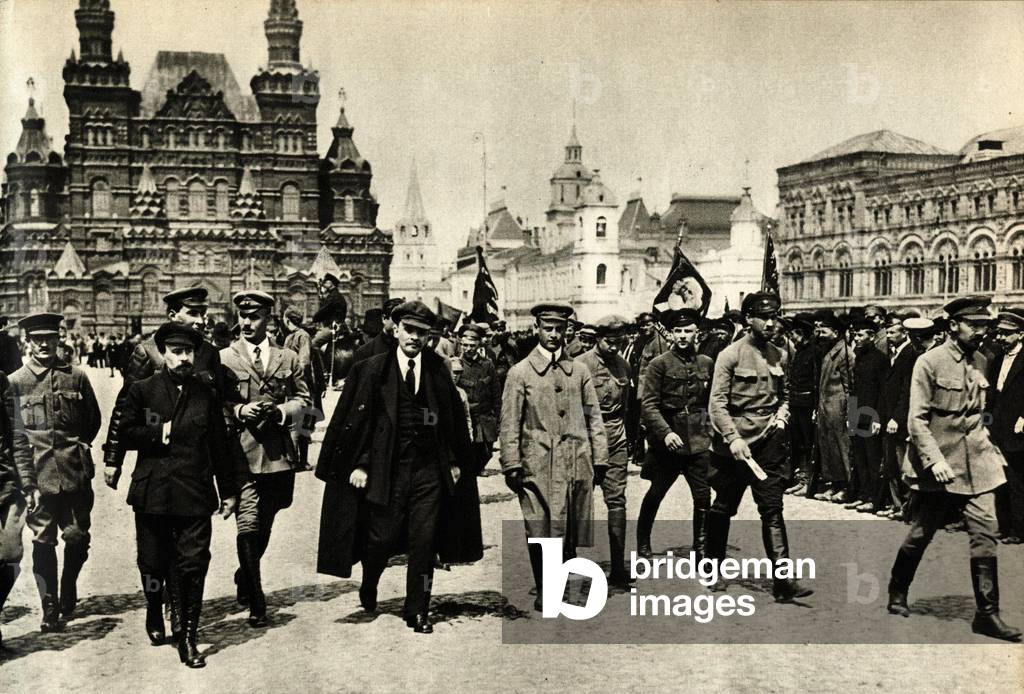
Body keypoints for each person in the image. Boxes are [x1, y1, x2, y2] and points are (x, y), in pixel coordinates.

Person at [315, 301, 482, 633]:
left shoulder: (437, 369)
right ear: (396, 329)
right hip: (384, 468)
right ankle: (370, 579)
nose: (414, 338)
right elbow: (359, 422)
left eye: (422, 333)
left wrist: (450, 459)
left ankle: (417, 608)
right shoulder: (372, 369)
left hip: (427, 470)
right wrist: (359, 465)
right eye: (409, 330)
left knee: (425, 541)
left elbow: (442, 418)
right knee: (381, 538)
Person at [887, 296, 1020, 641]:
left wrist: (988, 448)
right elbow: (916, 421)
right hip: (939, 463)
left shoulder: (982, 360)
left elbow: (978, 413)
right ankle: (897, 590)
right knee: (921, 533)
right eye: (974, 325)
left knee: (985, 531)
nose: (981, 332)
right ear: (952, 326)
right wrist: (934, 461)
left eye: (984, 326)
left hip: (977, 461)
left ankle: (987, 614)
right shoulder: (928, 362)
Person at [115, 323, 241, 667]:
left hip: (195, 493)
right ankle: (155, 609)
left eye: (188, 352)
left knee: (194, 564)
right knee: (153, 563)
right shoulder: (143, 390)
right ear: (164, 354)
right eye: (176, 351)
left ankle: (188, 636)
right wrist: (160, 432)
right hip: (153, 491)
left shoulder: (207, 394)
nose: (183, 358)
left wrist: (228, 491)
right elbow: (125, 432)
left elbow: (221, 446)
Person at [499, 303, 608, 610]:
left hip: (575, 460)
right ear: (537, 329)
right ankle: (546, 588)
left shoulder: (580, 372)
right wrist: (511, 463)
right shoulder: (519, 373)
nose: (554, 335)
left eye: (559, 329)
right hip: (537, 463)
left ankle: (558, 579)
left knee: (568, 526)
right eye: (548, 329)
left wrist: (600, 458)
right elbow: (509, 423)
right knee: (539, 526)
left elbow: (594, 417)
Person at [706, 292, 812, 602]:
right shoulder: (730, 355)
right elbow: (717, 404)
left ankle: (783, 582)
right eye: (763, 317)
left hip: (769, 444)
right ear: (748, 319)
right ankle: (712, 568)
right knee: (723, 506)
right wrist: (732, 438)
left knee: (772, 509)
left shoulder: (780, 355)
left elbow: (787, 394)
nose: (770, 322)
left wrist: (782, 415)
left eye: (774, 316)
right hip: (734, 447)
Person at [220, 291, 311, 628]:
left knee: (267, 520)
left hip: (277, 455)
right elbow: (217, 405)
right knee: (248, 522)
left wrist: (282, 410)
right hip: (240, 454)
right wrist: (241, 409)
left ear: (268, 319)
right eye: (242, 316)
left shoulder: (288, 358)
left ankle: (245, 574)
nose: (246, 322)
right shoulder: (224, 359)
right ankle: (257, 599)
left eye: (254, 316)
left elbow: (305, 400)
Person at [7, 312, 101, 632]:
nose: (44, 344)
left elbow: (92, 420)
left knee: (78, 538)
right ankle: (50, 607)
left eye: (49, 338)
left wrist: (78, 449)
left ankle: (69, 584)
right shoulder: (16, 382)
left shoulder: (76, 376)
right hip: (37, 477)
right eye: (37, 339)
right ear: (28, 342)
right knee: (43, 542)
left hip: (75, 473)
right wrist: (24, 478)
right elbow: (13, 435)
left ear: (59, 338)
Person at [636, 308, 713, 561]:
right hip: (668, 442)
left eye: (688, 331)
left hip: (699, 440)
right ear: (670, 334)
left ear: (697, 334)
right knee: (657, 492)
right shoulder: (659, 364)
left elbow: (712, 401)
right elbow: (648, 405)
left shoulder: (706, 364)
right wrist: (666, 433)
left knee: (702, 497)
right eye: (677, 331)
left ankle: (701, 551)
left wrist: (711, 432)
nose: (682, 336)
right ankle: (644, 542)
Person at [578, 315, 635, 587]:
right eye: (609, 342)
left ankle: (618, 566)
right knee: (576, 502)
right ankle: (569, 562)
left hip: (615, 438)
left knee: (617, 501)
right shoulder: (580, 366)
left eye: (619, 342)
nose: (614, 347)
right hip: (586, 440)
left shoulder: (624, 365)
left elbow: (625, 407)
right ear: (598, 339)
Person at [985, 307, 1024, 545]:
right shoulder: (999, 358)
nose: (1000, 338)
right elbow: (993, 393)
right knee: (1000, 477)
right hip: (998, 425)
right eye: (999, 333)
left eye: (1006, 334)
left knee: (1018, 479)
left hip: (1018, 426)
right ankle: (1004, 525)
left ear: (1020, 334)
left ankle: (1019, 530)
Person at [875, 315, 918, 519]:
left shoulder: (910, 354)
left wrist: (897, 418)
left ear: (904, 333)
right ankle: (896, 504)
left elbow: (906, 391)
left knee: (903, 464)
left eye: (893, 332)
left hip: (899, 420)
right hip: (887, 416)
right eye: (888, 332)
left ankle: (907, 507)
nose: (889, 336)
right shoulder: (892, 353)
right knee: (890, 463)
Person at [847, 317, 888, 513]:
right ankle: (863, 495)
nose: (857, 337)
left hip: (872, 414)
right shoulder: (859, 356)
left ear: (871, 337)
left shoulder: (880, 359)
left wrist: (878, 418)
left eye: (861, 334)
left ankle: (874, 498)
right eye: (855, 334)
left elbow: (883, 392)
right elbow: (854, 388)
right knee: (859, 457)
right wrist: (851, 414)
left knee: (873, 458)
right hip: (858, 413)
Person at [814, 309, 852, 502]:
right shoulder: (828, 351)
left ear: (835, 333)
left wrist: (850, 414)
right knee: (828, 447)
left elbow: (849, 386)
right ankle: (834, 484)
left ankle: (846, 486)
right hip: (825, 406)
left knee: (841, 448)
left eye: (824, 332)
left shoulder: (845, 353)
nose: (820, 336)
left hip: (839, 407)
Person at [0, 370, 26, 647]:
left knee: (11, 553)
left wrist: (27, 482)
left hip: (4, 484)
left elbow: (17, 435)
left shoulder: (1, 382)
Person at [455, 324, 501, 476]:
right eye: (464, 345)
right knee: (471, 452)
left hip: (486, 417)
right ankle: (471, 475)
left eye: (472, 345)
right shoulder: (456, 365)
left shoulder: (487, 365)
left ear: (479, 344)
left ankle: (474, 470)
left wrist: (499, 417)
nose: (468, 349)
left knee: (488, 453)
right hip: (467, 418)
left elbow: (496, 392)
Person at [784, 313, 819, 497]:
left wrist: (816, 407)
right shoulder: (799, 352)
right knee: (797, 444)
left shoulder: (814, 352)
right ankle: (801, 478)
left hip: (808, 405)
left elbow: (816, 381)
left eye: (795, 335)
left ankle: (809, 482)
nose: (792, 338)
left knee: (808, 444)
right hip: (796, 404)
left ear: (803, 334)